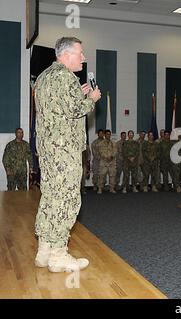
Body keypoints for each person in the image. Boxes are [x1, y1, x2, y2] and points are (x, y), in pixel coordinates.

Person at [34, 37, 101, 272]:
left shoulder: (43, 77)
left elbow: (60, 107)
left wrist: (78, 94)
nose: (83, 57)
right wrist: (91, 99)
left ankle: (44, 251)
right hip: (65, 152)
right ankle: (59, 255)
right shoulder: (65, 77)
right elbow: (74, 110)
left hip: (48, 150)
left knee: (50, 197)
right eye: (80, 53)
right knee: (67, 200)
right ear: (65, 55)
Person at [98, 129, 117, 194]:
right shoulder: (101, 143)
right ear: (105, 135)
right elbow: (101, 152)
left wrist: (111, 156)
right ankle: (100, 188)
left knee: (112, 176)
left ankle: (112, 188)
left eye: (109, 134)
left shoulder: (113, 143)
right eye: (107, 134)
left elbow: (115, 151)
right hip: (104, 162)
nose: (108, 135)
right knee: (102, 176)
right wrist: (106, 157)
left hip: (112, 162)